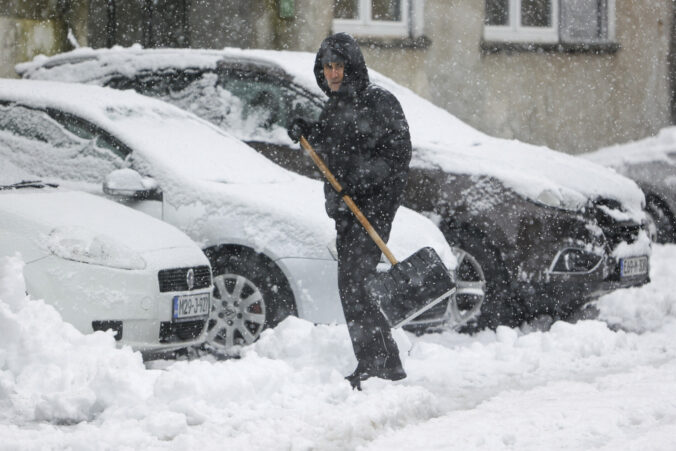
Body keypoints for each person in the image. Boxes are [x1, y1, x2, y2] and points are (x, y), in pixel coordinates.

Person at [288, 32, 412, 389]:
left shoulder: (379, 102)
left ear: (352, 65)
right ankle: (383, 362)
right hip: (345, 211)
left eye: (339, 65)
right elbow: (327, 146)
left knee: (355, 284)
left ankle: (377, 365)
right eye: (327, 67)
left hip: (372, 209)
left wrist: (361, 180)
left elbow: (398, 155)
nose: (333, 73)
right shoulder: (335, 106)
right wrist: (305, 129)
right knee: (354, 286)